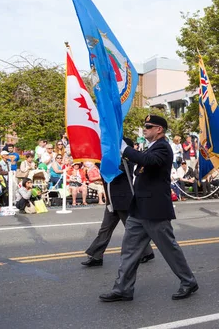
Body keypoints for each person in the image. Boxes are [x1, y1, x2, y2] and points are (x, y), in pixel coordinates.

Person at [99, 115, 198, 302]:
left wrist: (124, 148)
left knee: (169, 248)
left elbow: (148, 161)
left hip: (154, 209)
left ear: (159, 129)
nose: (145, 129)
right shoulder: (151, 147)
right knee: (129, 250)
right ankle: (123, 288)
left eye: (148, 126)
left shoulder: (163, 147)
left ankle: (188, 281)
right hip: (139, 208)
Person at [82, 138, 154, 268]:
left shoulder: (128, 161)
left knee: (131, 229)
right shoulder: (116, 159)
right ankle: (96, 256)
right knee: (105, 229)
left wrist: (102, 159)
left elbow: (113, 171)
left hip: (123, 200)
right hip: (112, 200)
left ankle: (146, 252)